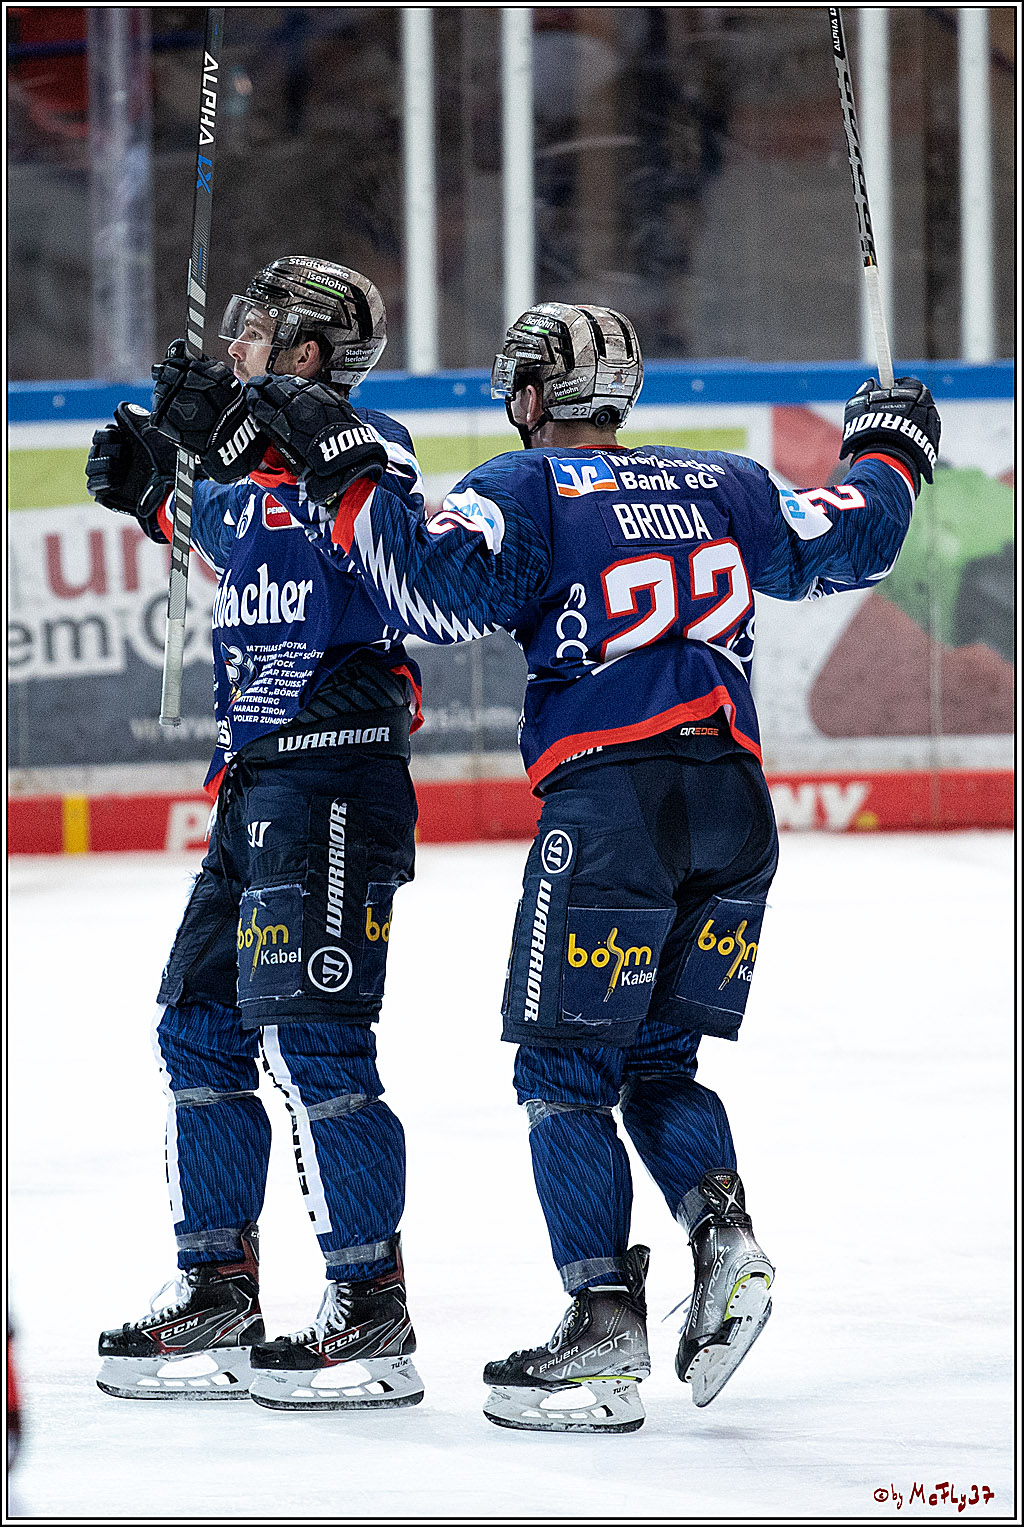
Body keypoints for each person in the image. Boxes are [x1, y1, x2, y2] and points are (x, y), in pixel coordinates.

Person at [241, 300, 940, 1434]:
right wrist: (891, 446)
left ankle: (601, 1328)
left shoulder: (529, 490)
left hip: (613, 809)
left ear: (528, 393)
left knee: (562, 1075)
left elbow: (434, 596)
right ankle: (722, 1231)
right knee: (658, 1062)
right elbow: (856, 538)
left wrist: (347, 468)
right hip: (733, 805)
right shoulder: (726, 482)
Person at [85, 257, 428, 1412]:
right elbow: (226, 530)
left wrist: (235, 433)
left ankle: (371, 1309)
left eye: (259, 332)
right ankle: (220, 1287)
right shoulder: (248, 463)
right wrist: (153, 489)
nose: (235, 343)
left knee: (317, 1045)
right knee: (197, 1030)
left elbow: (359, 510)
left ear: (312, 354)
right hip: (255, 785)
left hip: (336, 783)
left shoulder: (373, 447)